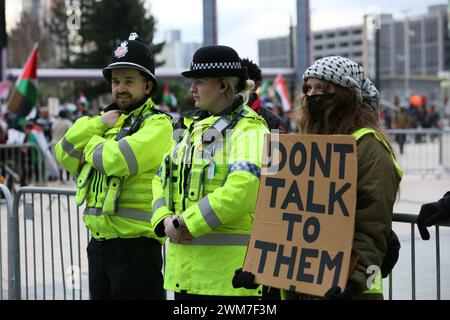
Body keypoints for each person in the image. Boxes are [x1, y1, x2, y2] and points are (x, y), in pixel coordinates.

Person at [234, 56, 403, 300]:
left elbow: (372, 226)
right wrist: (259, 268)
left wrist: (355, 280)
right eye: (308, 89)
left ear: (347, 94)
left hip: (345, 290)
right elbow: (279, 214)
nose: (312, 95)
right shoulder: (302, 146)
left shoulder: (368, 147)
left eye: (322, 89)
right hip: (298, 287)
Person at [55, 32, 173, 299]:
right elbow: (63, 153)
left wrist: (91, 145)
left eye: (129, 81)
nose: (120, 88)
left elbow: (118, 160)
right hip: (99, 247)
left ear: (147, 86)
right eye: (116, 81)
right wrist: (98, 125)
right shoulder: (104, 121)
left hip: (137, 251)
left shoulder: (158, 124)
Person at [150, 45, 269, 300]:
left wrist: (184, 223)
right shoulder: (186, 128)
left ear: (224, 86)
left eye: (199, 81)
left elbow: (244, 188)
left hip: (228, 283)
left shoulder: (251, 130)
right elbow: (161, 176)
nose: (192, 89)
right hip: (184, 278)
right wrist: (163, 220)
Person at [240, 58, 287, 133]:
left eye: (243, 84)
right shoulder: (219, 119)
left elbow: (275, 145)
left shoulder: (273, 122)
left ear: (256, 85)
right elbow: (216, 143)